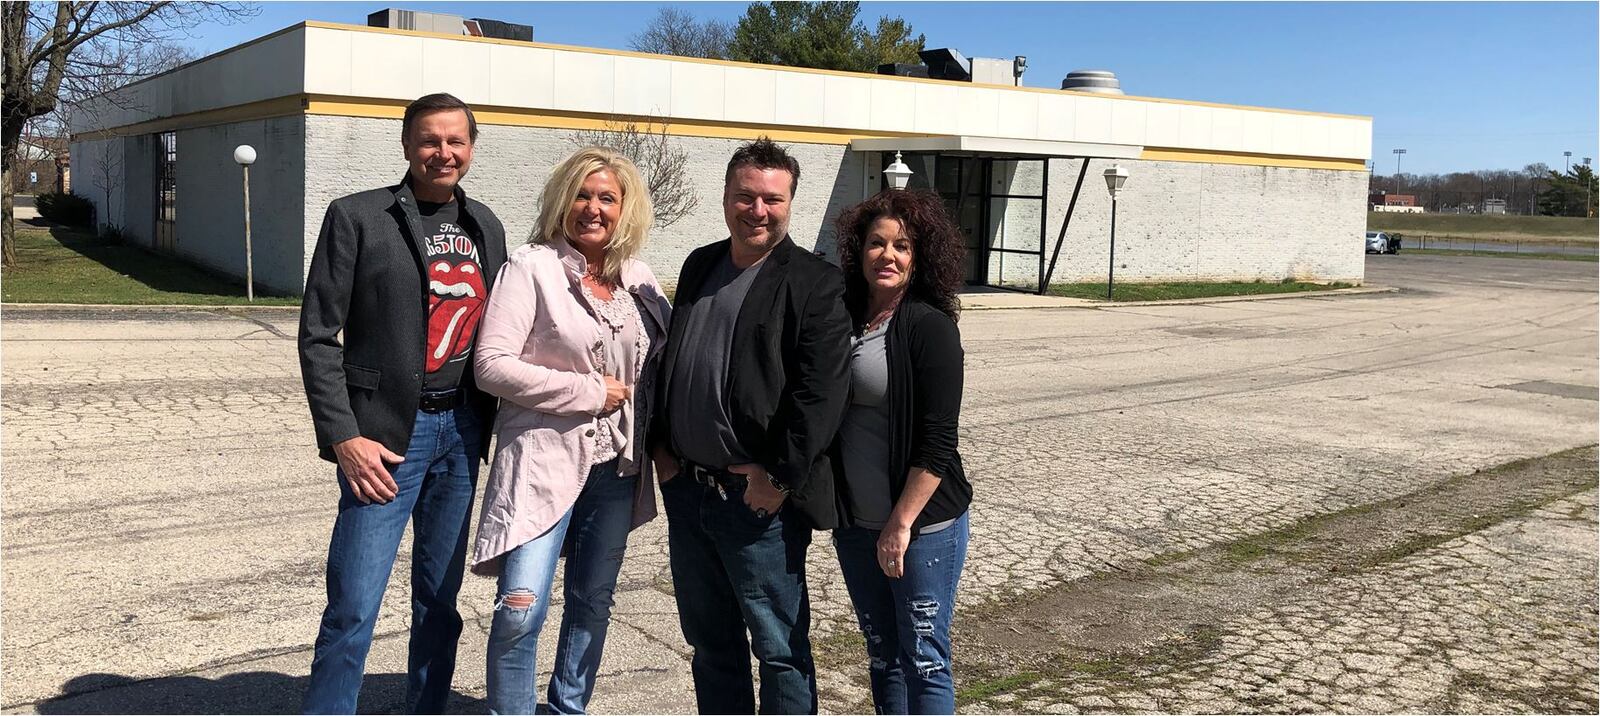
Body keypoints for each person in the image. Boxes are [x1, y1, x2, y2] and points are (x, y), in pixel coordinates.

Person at [298, 92, 507, 714]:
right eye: (429, 140)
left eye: (455, 141)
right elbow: (317, 335)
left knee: (439, 602)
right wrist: (344, 436)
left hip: (463, 432)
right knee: (354, 605)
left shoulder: (486, 225)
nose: (443, 153)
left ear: (471, 147)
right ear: (407, 145)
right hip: (387, 437)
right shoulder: (357, 216)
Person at [650, 137, 853, 714]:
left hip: (757, 500)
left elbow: (821, 393)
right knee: (711, 644)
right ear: (725, 198)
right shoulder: (700, 264)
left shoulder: (815, 282)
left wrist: (779, 478)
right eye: (746, 196)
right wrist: (663, 447)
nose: (757, 210)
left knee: (779, 647)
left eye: (772, 199)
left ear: (790, 203)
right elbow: (671, 357)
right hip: (689, 492)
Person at [470, 147, 671, 714]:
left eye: (607, 197)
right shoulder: (531, 267)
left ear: (626, 208)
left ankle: (567, 707)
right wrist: (588, 392)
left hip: (615, 466)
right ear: (563, 202)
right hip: (542, 461)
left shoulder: (638, 278)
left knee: (593, 601)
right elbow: (491, 365)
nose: (593, 208)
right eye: (582, 195)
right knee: (519, 607)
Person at [829, 189, 972, 715]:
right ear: (858, 250)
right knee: (883, 655)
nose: (887, 255)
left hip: (921, 525)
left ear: (920, 257)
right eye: (876, 243)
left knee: (925, 659)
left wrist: (900, 523)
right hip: (856, 522)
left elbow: (939, 442)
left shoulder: (928, 327)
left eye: (903, 246)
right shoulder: (844, 317)